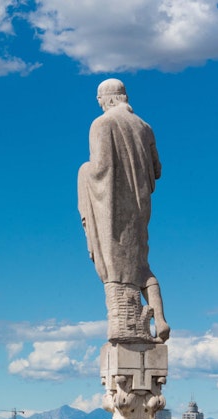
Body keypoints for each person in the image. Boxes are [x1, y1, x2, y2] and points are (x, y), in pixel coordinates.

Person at [78, 78, 170, 343]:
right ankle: (160, 319)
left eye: (99, 100)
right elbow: (157, 170)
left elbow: (101, 168)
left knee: (115, 266)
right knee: (141, 265)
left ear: (107, 98)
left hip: (111, 210)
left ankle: (125, 324)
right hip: (139, 208)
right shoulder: (145, 128)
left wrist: (83, 173)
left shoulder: (102, 124)